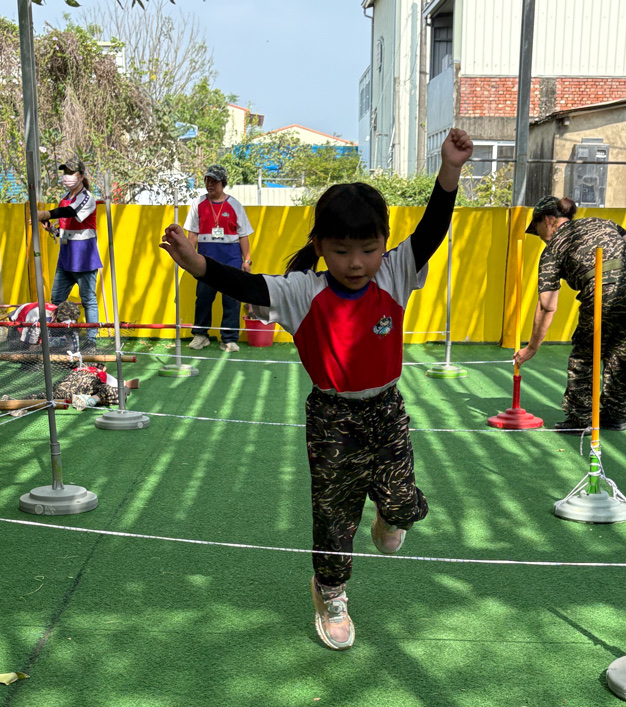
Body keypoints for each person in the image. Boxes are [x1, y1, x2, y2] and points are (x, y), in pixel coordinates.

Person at [161, 129, 474, 650]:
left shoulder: (395, 274)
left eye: (368, 250)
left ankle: (390, 517)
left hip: (386, 409)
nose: (356, 263)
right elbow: (247, 285)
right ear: (320, 247)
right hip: (332, 418)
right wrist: (199, 265)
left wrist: (450, 170)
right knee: (334, 513)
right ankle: (330, 591)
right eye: (342, 251)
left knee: (401, 507)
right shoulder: (302, 291)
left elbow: (432, 229)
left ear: (384, 244)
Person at [514, 195, 626, 431]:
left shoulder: (553, 249)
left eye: (536, 227)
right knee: (623, 351)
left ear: (548, 220)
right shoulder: (602, 222)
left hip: (604, 286)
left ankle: (580, 417)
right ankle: (615, 414)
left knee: (585, 353)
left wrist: (531, 348)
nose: (538, 235)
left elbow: (547, 305)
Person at [183, 164, 254, 353]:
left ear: (223, 182)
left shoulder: (235, 205)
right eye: (207, 180)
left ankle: (229, 339)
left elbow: (243, 235)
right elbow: (192, 235)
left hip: (231, 259)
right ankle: (201, 335)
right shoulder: (198, 204)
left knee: (232, 300)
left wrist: (246, 260)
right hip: (205, 260)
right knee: (203, 298)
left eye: (214, 181)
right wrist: (189, 258)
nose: (210, 184)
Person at [37, 156, 103, 346]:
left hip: (84, 257)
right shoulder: (64, 199)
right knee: (56, 299)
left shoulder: (87, 198)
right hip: (66, 257)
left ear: (81, 176)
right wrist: (52, 229)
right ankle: (58, 336)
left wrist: (46, 213)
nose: (66, 176)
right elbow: (67, 229)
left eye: (70, 173)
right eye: (64, 173)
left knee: (88, 300)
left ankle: (91, 339)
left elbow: (71, 212)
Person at [7, 300, 82, 352]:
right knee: (21, 350)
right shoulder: (37, 316)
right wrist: (41, 348)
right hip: (19, 321)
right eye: (61, 321)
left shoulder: (62, 315)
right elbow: (31, 344)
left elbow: (73, 340)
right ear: (55, 314)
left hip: (42, 321)